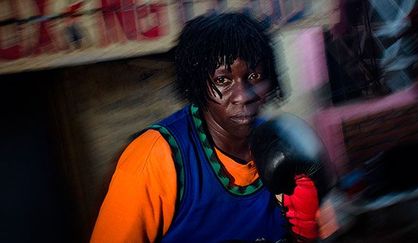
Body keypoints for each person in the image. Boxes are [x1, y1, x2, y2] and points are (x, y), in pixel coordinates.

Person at [91, 12, 293, 242]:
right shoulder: (153, 157)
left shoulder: (279, 140)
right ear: (197, 85)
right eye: (222, 80)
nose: (243, 96)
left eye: (255, 76)